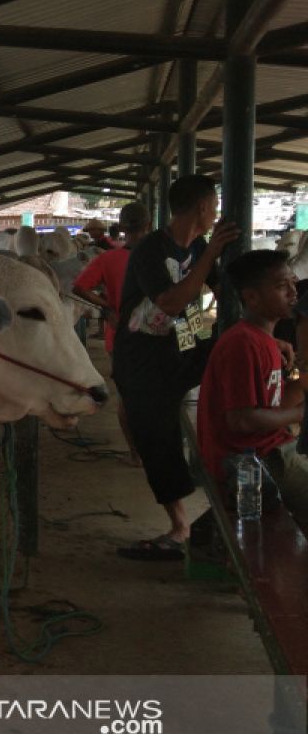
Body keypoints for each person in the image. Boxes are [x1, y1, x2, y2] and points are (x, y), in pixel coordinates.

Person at [113, 174, 240, 560]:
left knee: (216, 385)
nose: (216, 213)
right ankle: (180, 525)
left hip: (180, 343)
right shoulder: (152, 249)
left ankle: (212, 493)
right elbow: (170, 302)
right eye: (214, 205)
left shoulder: (199, 247)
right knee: (156, 435)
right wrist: (209, 255)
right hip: (142, 358)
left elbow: (216, 292)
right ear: (202, 208)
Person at [199, 250, 308, 534]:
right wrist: (298, 413)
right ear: (252, 297)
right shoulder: (243, 344)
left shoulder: (259, 339)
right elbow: (242, 421)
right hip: (250, 463)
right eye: (281, 286)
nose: (293, 292)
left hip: (262, 452)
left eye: (293, 283)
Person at [73, 202, 152, 465]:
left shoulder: (108, 259)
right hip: (157, 337)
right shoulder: (160, 257)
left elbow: (79, 287)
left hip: (118, 336)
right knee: (157, 393)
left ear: (122, 227)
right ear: (149, 226)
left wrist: (107, 307)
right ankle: (156, 446)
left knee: (127, 396)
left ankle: (136, 453)